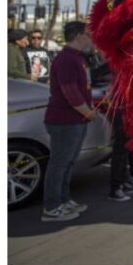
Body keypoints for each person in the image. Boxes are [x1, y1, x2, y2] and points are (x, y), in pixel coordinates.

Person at [41, 21, 96, 223]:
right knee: (59, 164)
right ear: (79, 35)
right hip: (64, 121)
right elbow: (69, 90)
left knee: (68, 162)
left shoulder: (77, 58)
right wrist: (87, 111)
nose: (91, 37)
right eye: (88, 34)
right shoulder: (66, 59)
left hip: (75, 120)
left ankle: (63, 200)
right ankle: (52, 207)